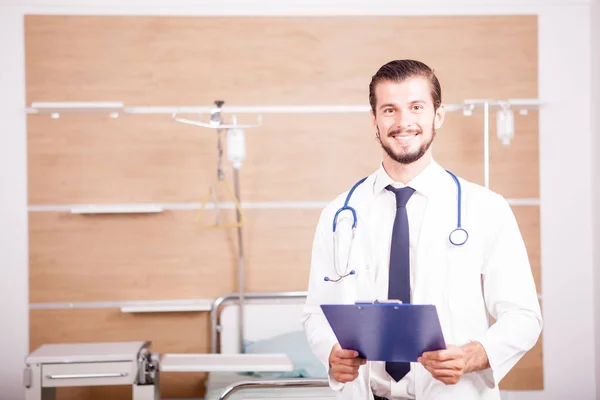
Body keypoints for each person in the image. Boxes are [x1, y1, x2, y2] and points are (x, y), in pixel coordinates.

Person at [301, 59, 542, 400]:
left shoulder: (486, 208)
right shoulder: (339, 214)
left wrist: (474, 355)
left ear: (437, 115)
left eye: (416, 107)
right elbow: (315, 313)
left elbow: (524, 316)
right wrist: (330, 352)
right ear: (374, 121)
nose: (403, 122)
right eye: (389, 110)